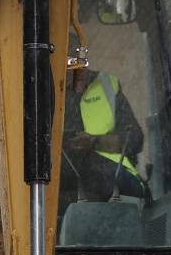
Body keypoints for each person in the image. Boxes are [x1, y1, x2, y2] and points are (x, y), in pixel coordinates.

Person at [62, 66, 147, 202]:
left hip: (113, 177)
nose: (78, 71)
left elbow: (135, 139)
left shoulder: (107, 85)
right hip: (63, 182)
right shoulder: (45, 93)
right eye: (71, 66)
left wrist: (95, 142)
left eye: (81, 64)